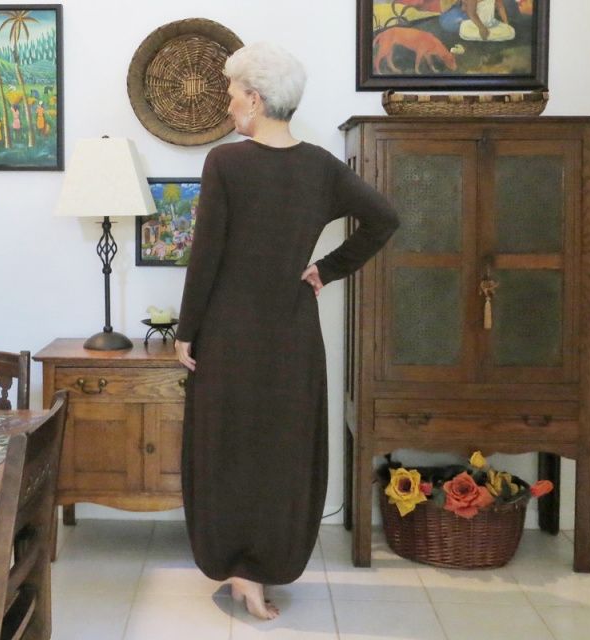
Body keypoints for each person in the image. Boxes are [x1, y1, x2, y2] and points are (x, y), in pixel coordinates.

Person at [174, 42, 399, 621]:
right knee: (281, 450)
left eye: (230, 94)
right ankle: (260, 569)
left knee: (226, 449)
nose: (228, 106)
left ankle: (236, 565)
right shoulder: (322, 166)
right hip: (292, 335)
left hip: (227, 333)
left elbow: (207, 257)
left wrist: (186, 331)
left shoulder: (226, 163)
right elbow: (385, 219)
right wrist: (325, 270)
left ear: (254, 99)